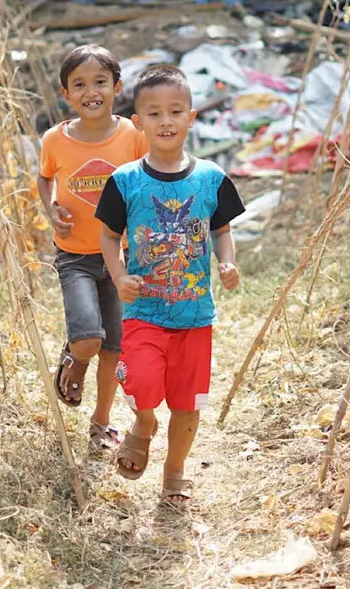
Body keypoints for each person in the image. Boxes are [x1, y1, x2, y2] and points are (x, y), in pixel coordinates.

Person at [95, 64, 245, 505]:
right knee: (139, 378)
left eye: (175, 111)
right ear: (138, 122)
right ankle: (143, 423)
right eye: (155, 114)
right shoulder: (125, 182)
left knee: (187, 403)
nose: (166, 121)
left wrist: (228, 263)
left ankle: (175, 471)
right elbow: (107, 235)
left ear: (191, 117)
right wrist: (120, 275)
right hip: (144, 311)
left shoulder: (211, 179)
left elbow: (221, 231)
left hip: (194, 316)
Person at [38, 45, 149, 450]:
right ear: (66, 94)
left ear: (117, 88)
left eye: (100, 82)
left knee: (114, 348)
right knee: (89, 339)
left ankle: (101, 422)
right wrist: (51, 208)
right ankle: (74, 357)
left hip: (122, 259)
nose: (91, 91)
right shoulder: (55, 140)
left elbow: (148, 181)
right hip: (75, 256)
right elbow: (45, 178)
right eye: (79, 84)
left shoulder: (133, 137)